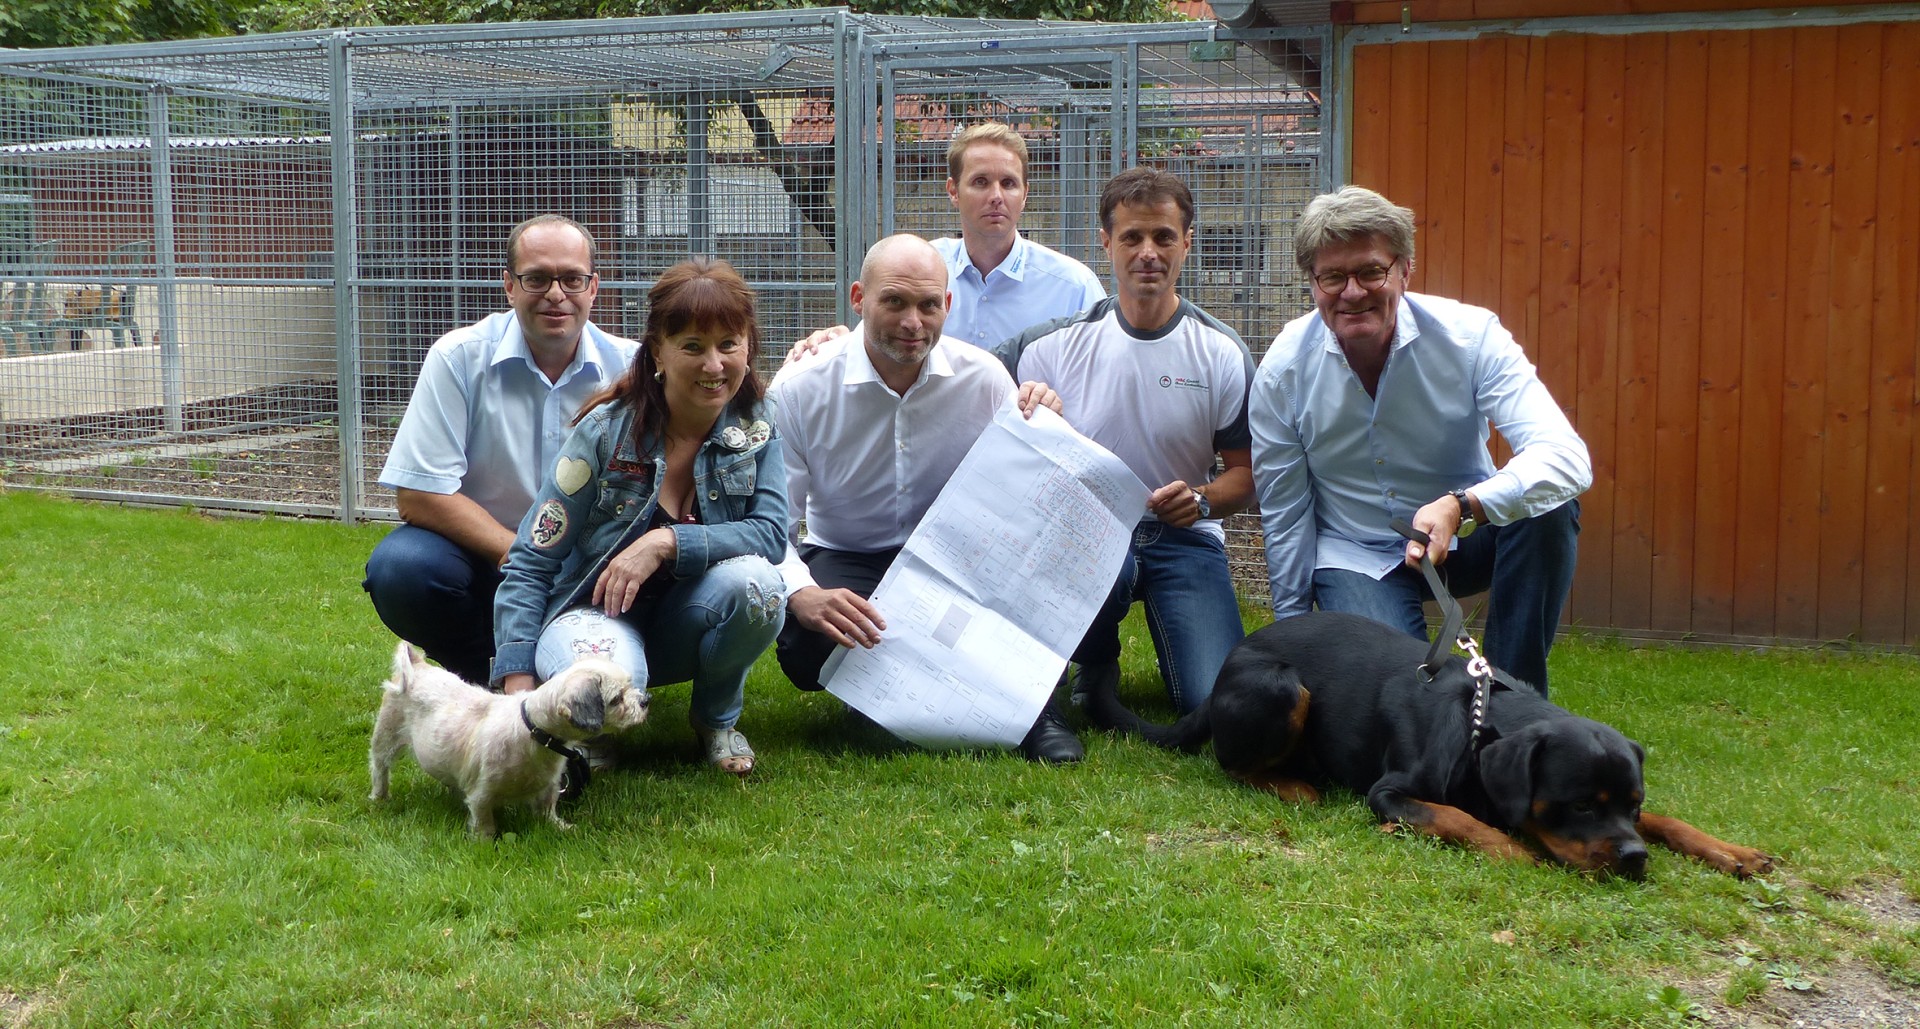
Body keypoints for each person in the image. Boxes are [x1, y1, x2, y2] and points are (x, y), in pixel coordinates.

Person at [1249, 185, 1591, 695]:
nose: (1352, 292)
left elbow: (1567, 458)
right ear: (1313, 283)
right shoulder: (1283, 370)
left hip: (1465, 538)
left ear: (1405, 270)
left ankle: (1514, 698)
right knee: (1409, 696)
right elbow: (1285, 513)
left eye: (1371, 271)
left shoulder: (1472, 337)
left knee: (1551, 505)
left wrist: (1463, 504)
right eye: (1333, 277)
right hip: (1356, 554)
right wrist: (1294, 641)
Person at [768, 234, 1082, 763]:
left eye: (928, 305)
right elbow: (773, 521)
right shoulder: (800, 388)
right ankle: (888, 694)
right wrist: (801, 593)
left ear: (948, 305)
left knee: (1015, 591)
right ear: (858, 298)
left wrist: (1045, 416)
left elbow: (1029, 489)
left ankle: (1038, 714)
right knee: (808, 646)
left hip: (958, 556)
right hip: (851, 553)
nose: (913, 322)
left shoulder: (984, 379)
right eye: (894, 301)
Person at [491, 258, 788, 777]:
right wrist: (517, 684)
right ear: (657, 352)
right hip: (593, 614)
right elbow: (531, 561)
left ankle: (715, 721)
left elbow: (770, 535)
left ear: (749, 347)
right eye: (692, 346)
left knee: (758, 585)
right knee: (614, 679)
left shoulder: (756, 428)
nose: (714, 365)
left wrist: (666, 542)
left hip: (688, 620)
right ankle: (598, 731)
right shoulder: (604, 433)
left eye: (728, 344)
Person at [995, 167, 1256, 723]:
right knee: (1086, 565)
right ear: (1106, 242)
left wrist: (1203, 500)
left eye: (1164, 237)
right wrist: (844, 338)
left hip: (1185, 538)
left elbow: (1248, 475)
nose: (1148, 253)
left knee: (1214, 705)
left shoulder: (1221, 352)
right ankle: (1095, 662)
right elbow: (954, 375)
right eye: (1132, 237)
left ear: (1187, 242)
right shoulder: (1048, 347)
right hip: (1089, 533)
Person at [364, 214, 637, 684]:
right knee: (403, 568)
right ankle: (484, 674)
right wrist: (526, 557)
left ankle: (599, 671)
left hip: (591, 563)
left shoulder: (632, 370)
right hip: (488, 553)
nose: (556, 294)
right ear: (509, 285)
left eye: (572, 279)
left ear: (594, 287)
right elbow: (419, 494)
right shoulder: (458, 358)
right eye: (537, 278)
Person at [785, 121, 1104, 359]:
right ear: (953, 191)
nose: (996, 196)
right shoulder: (918, 270)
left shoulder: (1073, 287)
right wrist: (836, 342)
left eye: (1008, 183)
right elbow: (874, 350)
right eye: (981, 182)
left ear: (1025, 194)